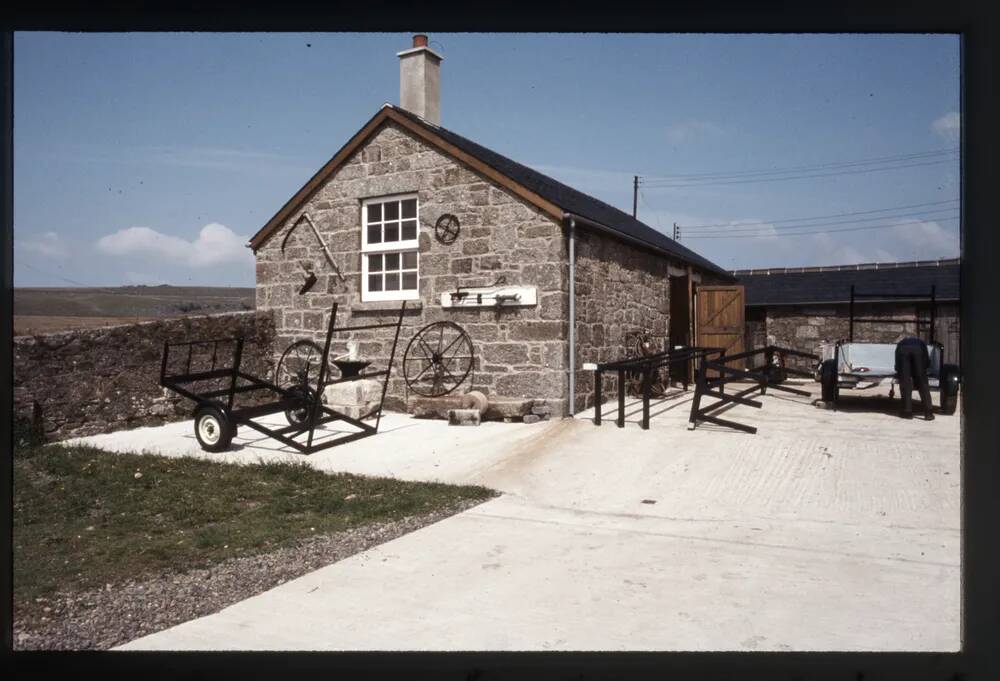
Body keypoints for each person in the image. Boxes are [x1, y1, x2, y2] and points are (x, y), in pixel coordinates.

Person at [894, 336, 935, 420]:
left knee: (906, 383)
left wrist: (899, 370)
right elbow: (926, 361)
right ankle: (928, 413)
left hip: (903, 350)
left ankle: (907, 412)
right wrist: (922, 371)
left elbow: (897, 362)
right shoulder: (921, 343)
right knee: (922, 383)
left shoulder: (901, 343)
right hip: (918, 350)